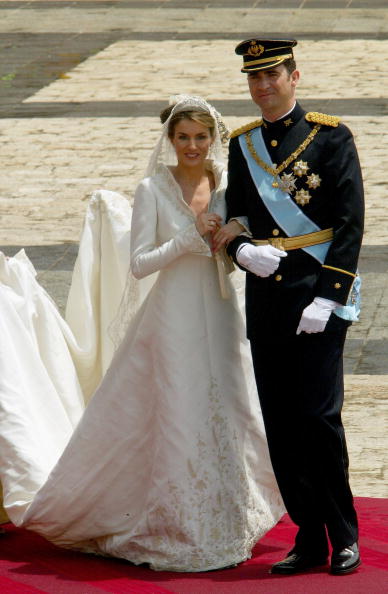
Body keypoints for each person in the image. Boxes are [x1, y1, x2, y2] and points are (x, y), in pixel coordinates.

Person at [0, 94, 284, 572]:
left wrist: (231, 239)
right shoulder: (152, 188)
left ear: (212, 138)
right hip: (173, 315)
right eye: (183, 138)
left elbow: (238, 245)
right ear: (169, 140)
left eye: (200, 137)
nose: (192, 146)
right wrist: (189, 237)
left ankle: (225, 517)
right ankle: (178, 525)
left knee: (227, 407)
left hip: (218, 310)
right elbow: (138, 264)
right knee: (180, 409)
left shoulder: (225, 184)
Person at [218, 39, 364, 576]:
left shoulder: (331, 138)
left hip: (316, 299)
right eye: (253, 78)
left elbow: (350, 224)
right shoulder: (244, 145)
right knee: (280, 422)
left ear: (294, 76)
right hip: (268, 301)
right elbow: (235, 215)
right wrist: (239, 250)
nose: (262, 86)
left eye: (272, 76)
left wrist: (330, 295)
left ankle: (344, 533)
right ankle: (309, 536)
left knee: (320, 418)